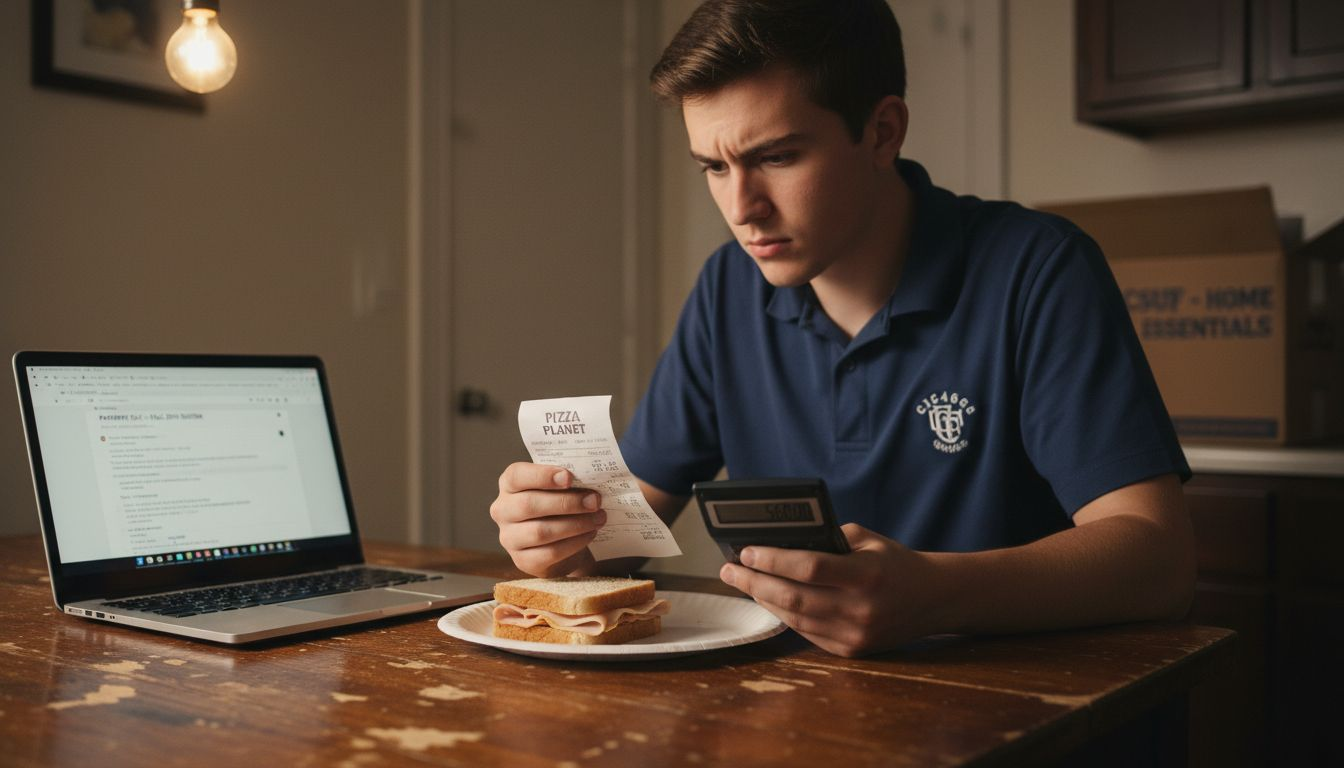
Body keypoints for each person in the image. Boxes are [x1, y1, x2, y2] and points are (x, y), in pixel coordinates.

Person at [490, 0, 1195, 658]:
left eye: (777, 157)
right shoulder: (726, 289)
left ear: (882, 131)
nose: (742, 209)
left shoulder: (1037, 269)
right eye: (714, 166)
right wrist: (563, 540)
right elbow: (624, 531)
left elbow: (1157, 556)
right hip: (796, 717)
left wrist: (939, 596)